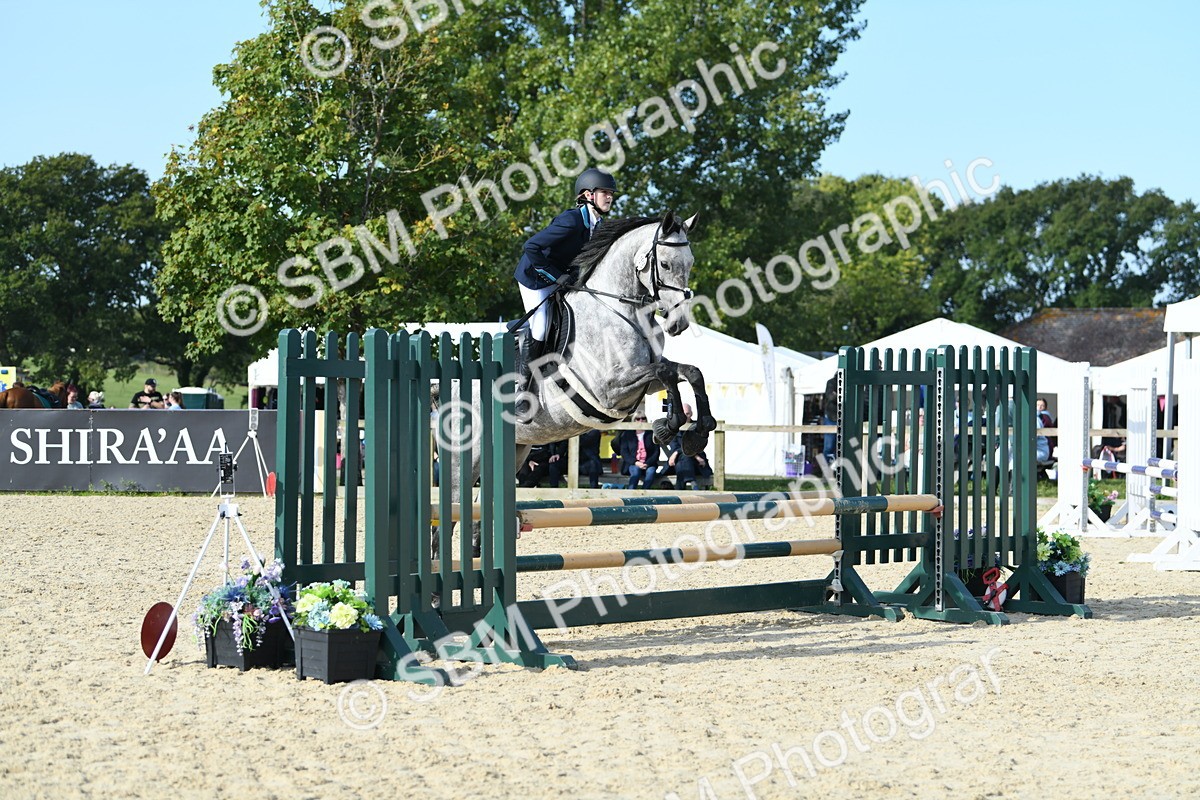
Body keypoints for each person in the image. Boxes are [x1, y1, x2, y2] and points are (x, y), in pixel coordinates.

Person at [513, 167, 616, 403]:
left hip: (560, 277)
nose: (609, 197)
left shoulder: (598, 225)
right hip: (535, 277)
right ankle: (524, 390)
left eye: (611, 193)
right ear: (588, 195)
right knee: (540, 326)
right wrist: (556, 277)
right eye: (604, 192)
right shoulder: (570, 221)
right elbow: (531, 247)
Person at [665, 403, 714, 490]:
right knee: (684, 457)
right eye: (683, 414)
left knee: (684, 457)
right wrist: (678, 452)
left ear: (691, 414)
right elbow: (673, 445)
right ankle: (692, 483)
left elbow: (696, 446)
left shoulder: (697, 427)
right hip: (679, 462)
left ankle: (679, 489)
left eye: (687, 414)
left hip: (696, 463)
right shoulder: (674, 428)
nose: (685, 416)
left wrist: (676, 453)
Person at [618, 411, 660, 489]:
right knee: (635, 473)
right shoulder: (627, 434)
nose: (641, 421)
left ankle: (643, 494)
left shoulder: (651, 434)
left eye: (643, 418)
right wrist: (636, 462)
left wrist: (647, 463)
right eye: (638, 419)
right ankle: (630, 494)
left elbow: (656, 452)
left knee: (651, 472)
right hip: (633, 463)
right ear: (634, 421)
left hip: (648, 463)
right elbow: (624, 452)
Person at [821, 375, 838, 462]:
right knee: (829, 446)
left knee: (842, 447)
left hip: (844, 418)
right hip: (832, 417)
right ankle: (826, 470)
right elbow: (831, 396)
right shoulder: (832, 382)